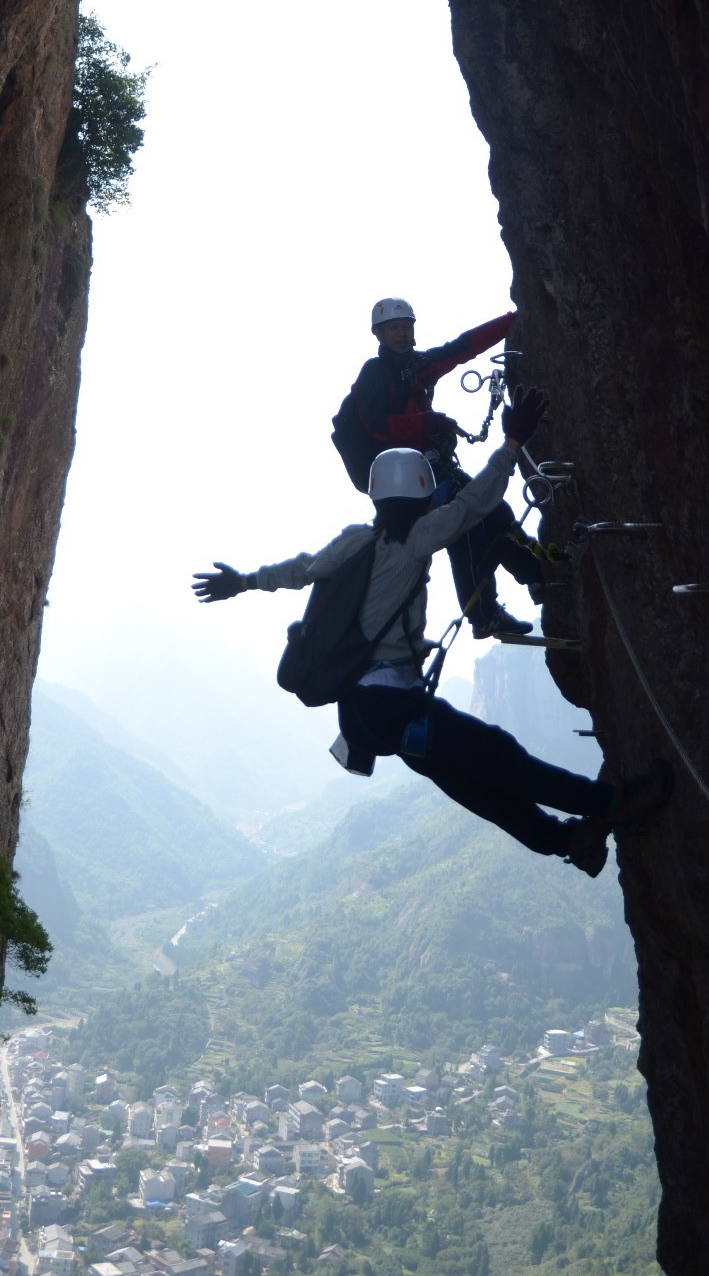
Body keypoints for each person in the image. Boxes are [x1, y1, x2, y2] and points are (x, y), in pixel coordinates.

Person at [194, 386, 673, 874]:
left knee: (479, 787)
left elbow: (300, 569)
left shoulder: (356, 541)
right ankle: (612, 805)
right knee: (500, 760)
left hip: (368, 715)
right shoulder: (417, 539)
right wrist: (510, 446)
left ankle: (573, 841)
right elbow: (471, 504)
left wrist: (244, 582)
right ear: (422, 496)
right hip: (393, 708)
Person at [331, 296, 546, 638]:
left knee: (494, 509)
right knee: (465, 528)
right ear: (380, 336)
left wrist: (514, 320)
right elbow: (378, 426)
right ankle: (483, 613)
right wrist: (426, 422)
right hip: (402, 481)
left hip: (428, 468)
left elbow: (461, 348)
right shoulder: (375, 373)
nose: (401, 334)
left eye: (405, 327)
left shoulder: (416, 367)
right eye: (393, 330)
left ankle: (538, 574)